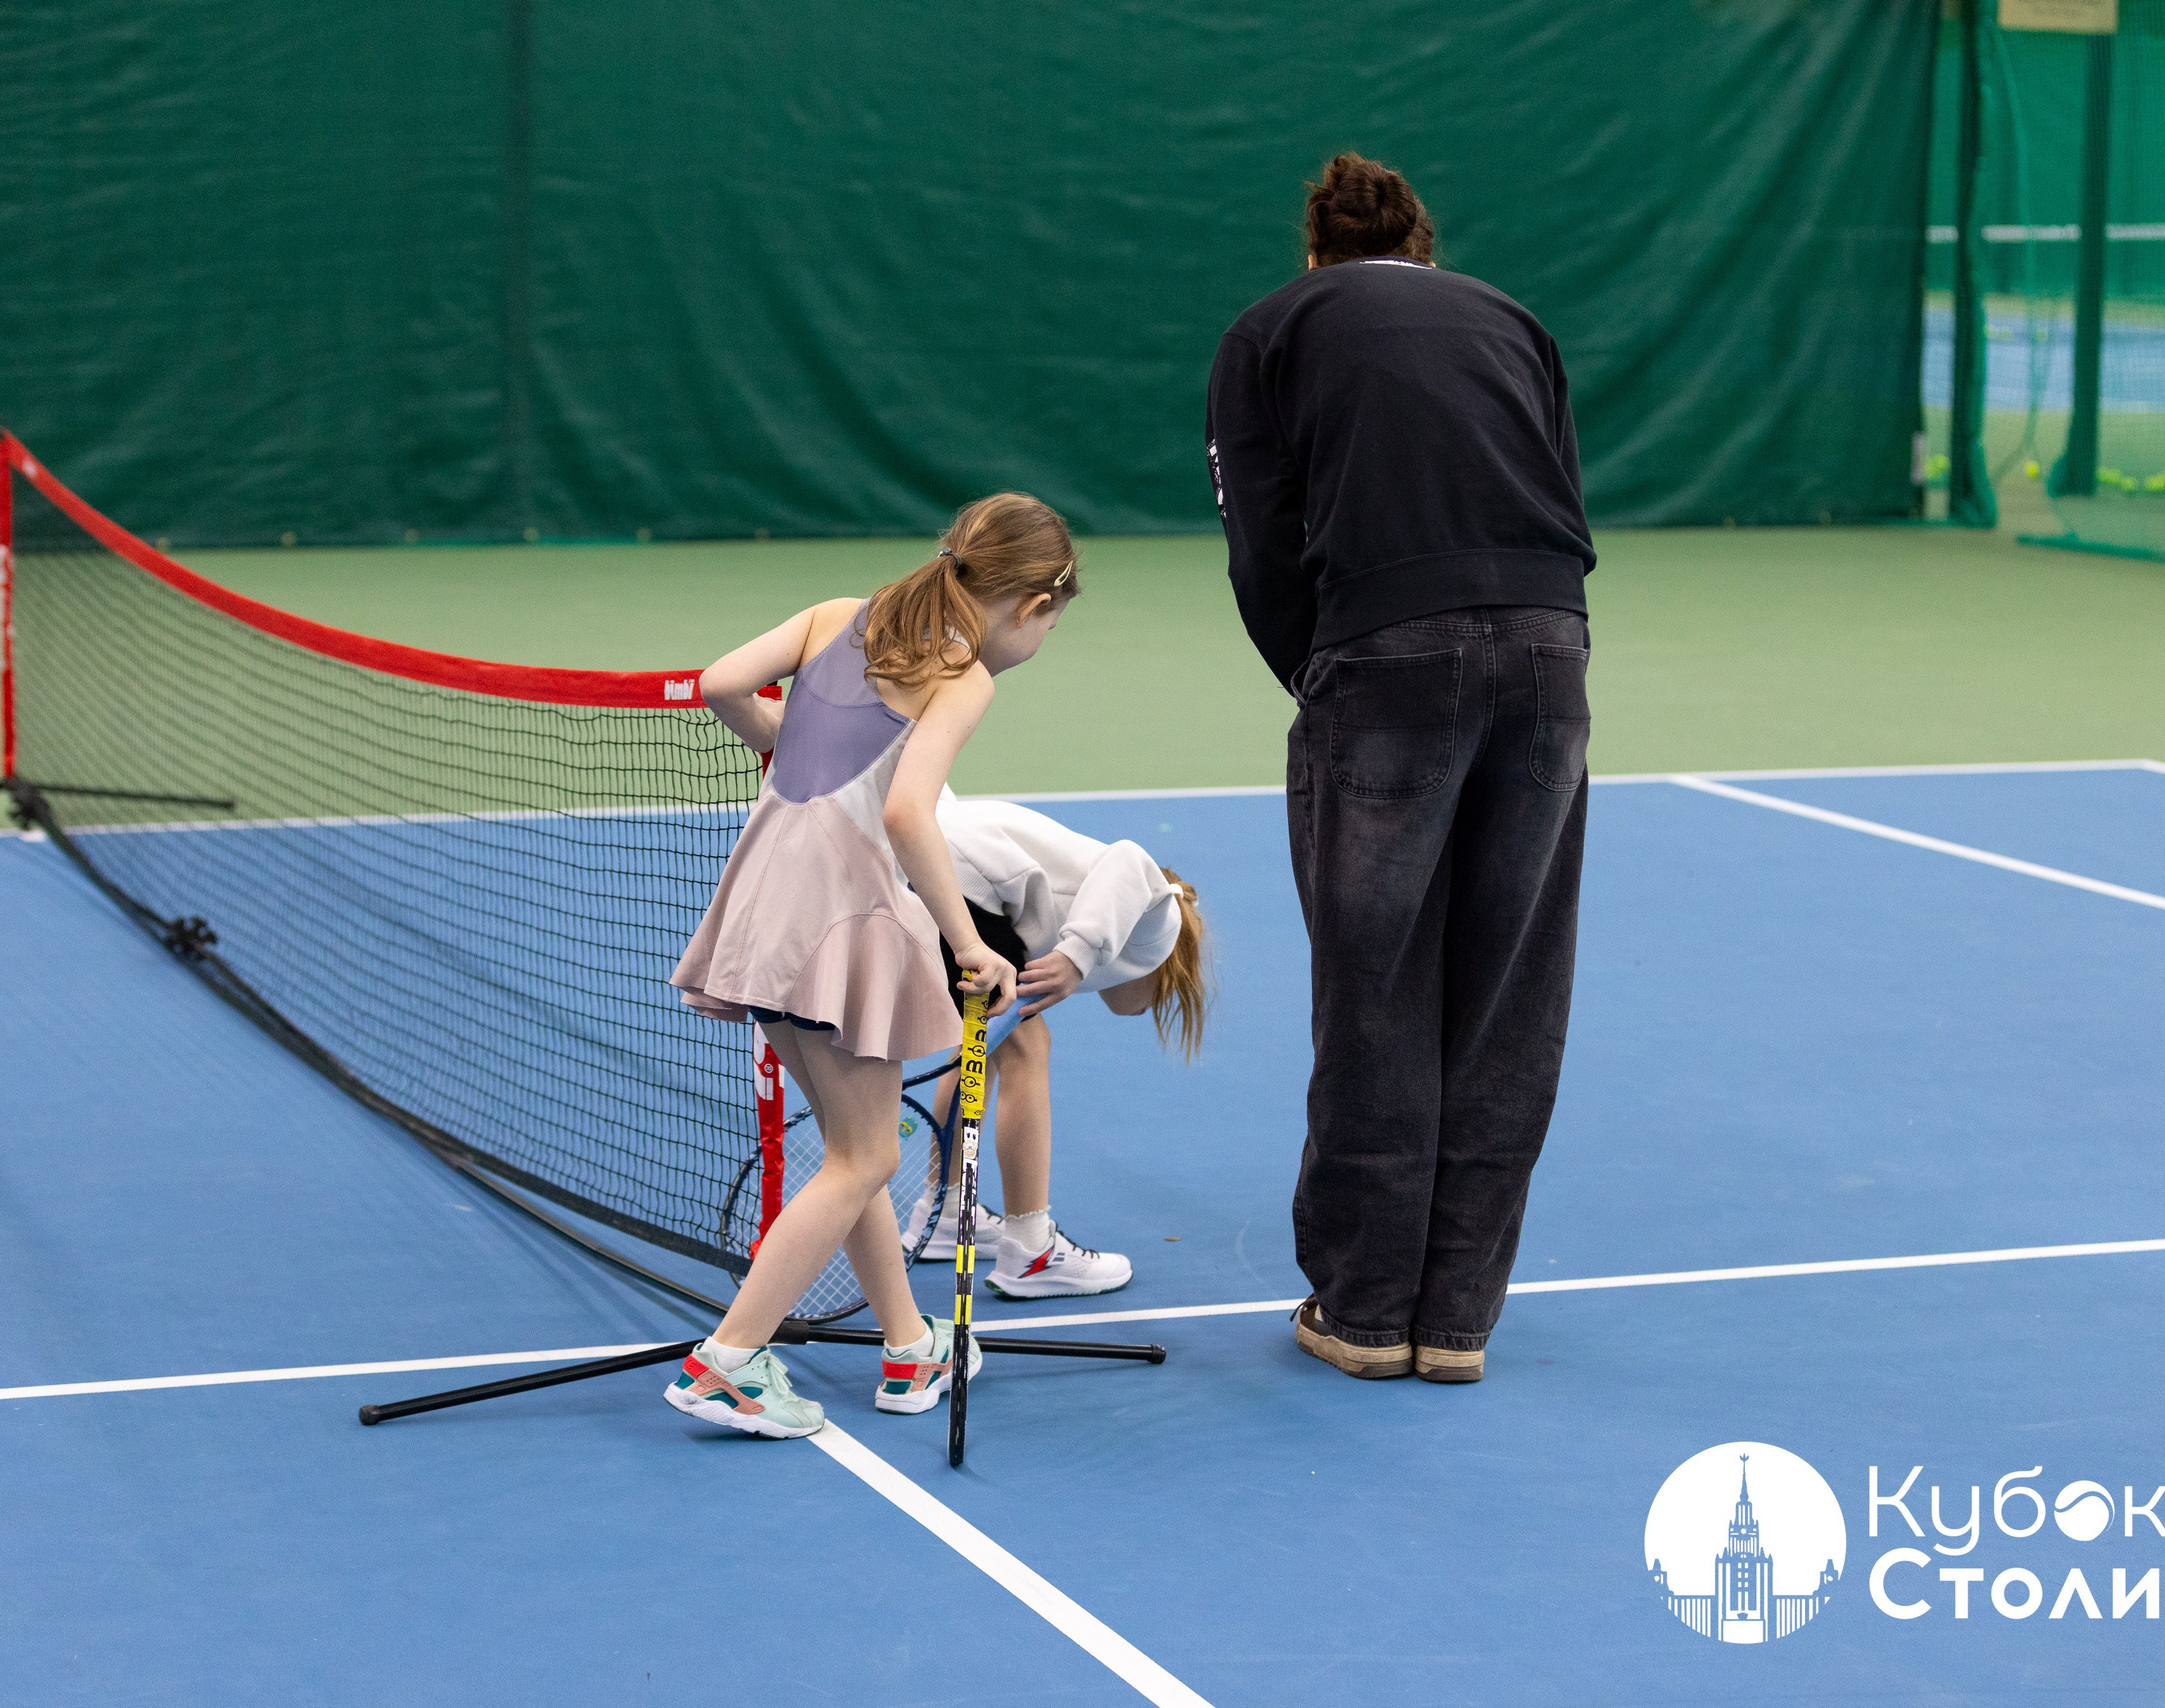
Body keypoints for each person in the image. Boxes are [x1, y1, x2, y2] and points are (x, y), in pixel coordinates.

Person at [1206, 153, 1595, 1385]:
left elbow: (1262, 544)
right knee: (1507, 992)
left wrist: (1321, 677)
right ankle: (1458, 1321)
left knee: (1376, 991)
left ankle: (1367, 1313)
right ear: (1424, 245)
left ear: (1314, 249)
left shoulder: (1267, 331)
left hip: (1382, 657)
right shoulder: (1512, 320)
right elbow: (1562, 498)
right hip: (1550, 654)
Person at [663, 494, 1079, 1438]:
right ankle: (727, 1363)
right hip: (842, 917)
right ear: (1035, 604)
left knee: (856, 1146)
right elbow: (904, 814)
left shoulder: (834, 617)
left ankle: (908, 1342)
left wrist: (778, 745)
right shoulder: (962, 676)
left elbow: (722, 680)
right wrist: (970, 946)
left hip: (763, 898)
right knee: (862, 1157)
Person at [905, 789, 1212, 1297]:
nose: (1150, 1009)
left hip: (922, 868)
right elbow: (1131, 859)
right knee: (1028, 1045)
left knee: (982, 1045)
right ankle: (1031, 1250)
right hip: (956, 881)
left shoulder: (1060, 909)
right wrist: (1077, 956)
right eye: (1163, 995)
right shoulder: (1160, 918)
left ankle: (944, 1210)